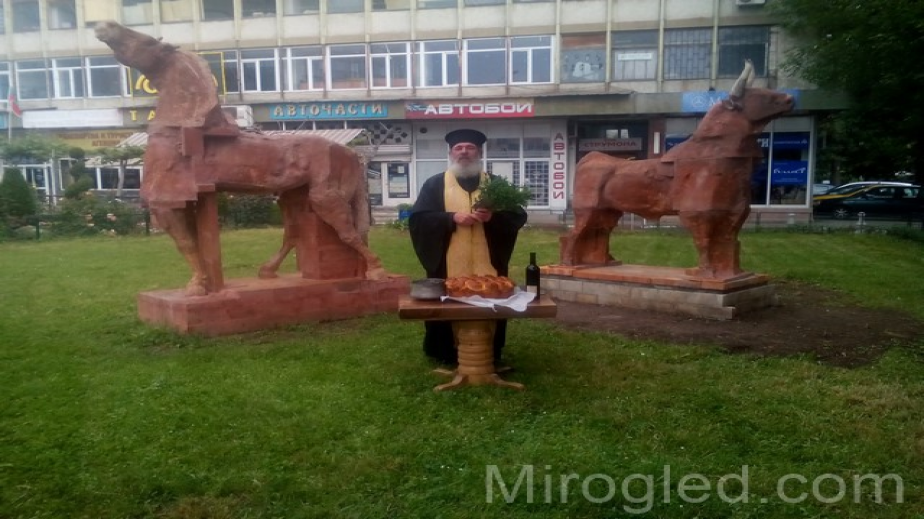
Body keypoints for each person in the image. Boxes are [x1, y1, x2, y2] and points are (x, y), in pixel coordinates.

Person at [409, 128, 528, 366]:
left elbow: (517, 216)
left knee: (491, 295)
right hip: (447, 261)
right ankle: (445, 351)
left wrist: (492, 218)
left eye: (470, 147)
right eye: (459, 148)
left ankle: (490, 349)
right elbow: (419, 220)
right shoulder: (435, 184)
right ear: (451, 153)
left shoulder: (495, 184)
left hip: (488, 261)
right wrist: (451, 218)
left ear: (479, 152)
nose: (464, 152)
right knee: (448, 298)